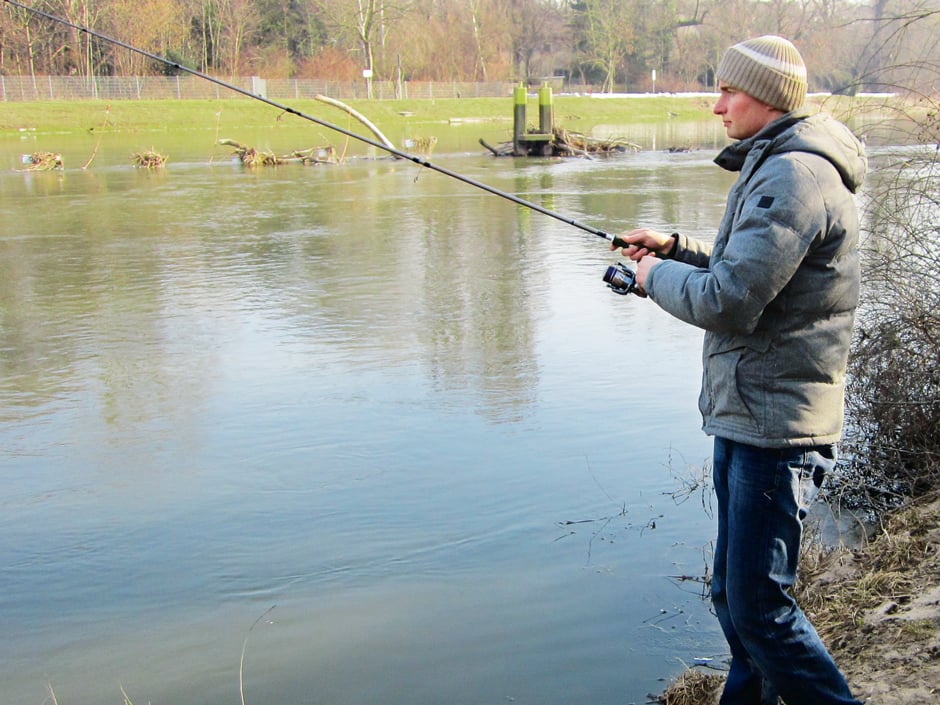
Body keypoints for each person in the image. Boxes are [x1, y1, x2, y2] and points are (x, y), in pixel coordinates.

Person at [612, 36, 868, 705]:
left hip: (777, 427)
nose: (716, 103)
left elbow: (728, 298)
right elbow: (745, 267)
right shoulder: (777, 163)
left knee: (760, 608)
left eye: (730, 90)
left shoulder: (795, 175)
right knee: (735, 595)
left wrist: (650, 277)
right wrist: (674, 247)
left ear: (770, 98)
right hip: (751, 412)